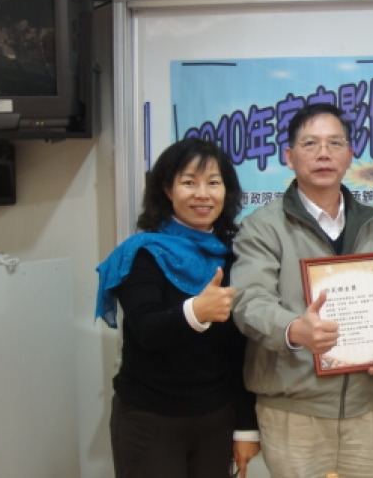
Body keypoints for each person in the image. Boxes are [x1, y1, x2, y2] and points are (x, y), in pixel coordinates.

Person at [230, 103, 373, 478]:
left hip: (365, 408)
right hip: (293, 412)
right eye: (310, 143)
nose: (324, 153)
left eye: (335, 143)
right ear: (289, 156)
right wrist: (294, 329)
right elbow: (249, 302)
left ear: (350, 154)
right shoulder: (263, 226)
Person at [95, 138, 260, 478]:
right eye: (189, 182)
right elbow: (147, 330)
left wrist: (246, 428)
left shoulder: (234, 255)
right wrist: (195, 312)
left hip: (216, 418)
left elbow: (240, 352)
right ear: (167, 190)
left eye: (213, 183)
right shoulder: (142, 252)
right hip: (149, 419)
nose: (203, 194)